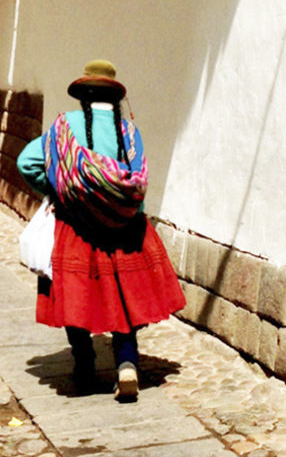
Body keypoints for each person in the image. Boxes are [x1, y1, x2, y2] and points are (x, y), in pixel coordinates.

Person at [16, 60, 184, 401]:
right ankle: (126, 364)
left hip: (77, 229)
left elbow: (26, 162)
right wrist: (119, 209)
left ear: (84, 97)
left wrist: (62, 189)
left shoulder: (64, 128)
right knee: (124, 297)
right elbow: (138, 182)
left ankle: (84, 364)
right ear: (115, 97)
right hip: (125, 231)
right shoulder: (128, 132)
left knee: (77, 295)